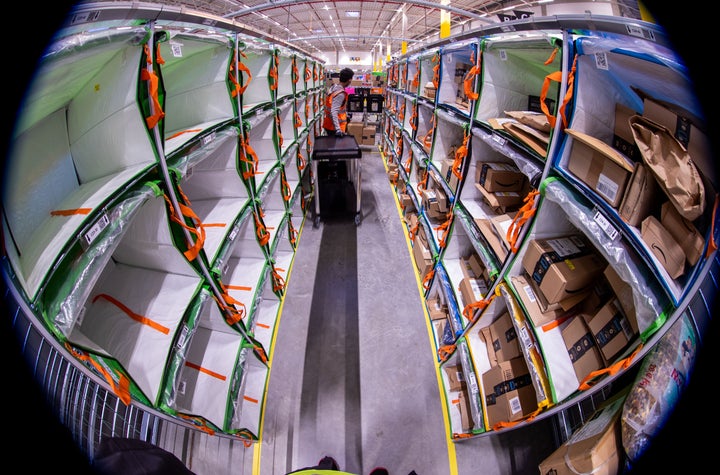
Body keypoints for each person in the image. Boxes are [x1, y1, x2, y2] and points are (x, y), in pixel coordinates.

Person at [323, 67, 354, 137]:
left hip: (329, 125)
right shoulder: (340, 94)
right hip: (335, 128)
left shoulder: (333, 87)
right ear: (349, 80)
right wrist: (338, 129)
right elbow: (334, 111)